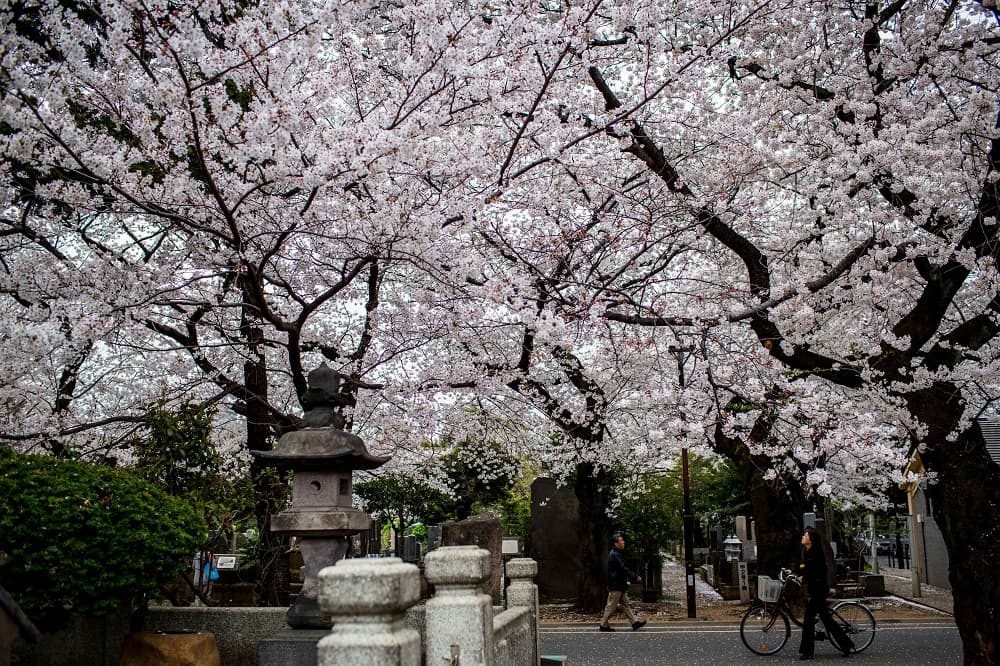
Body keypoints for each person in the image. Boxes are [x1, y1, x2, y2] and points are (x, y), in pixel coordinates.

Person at [798, 527, 854, 660]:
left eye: (805, 536)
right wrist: (796, 573)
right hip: (816, 590)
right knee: (826, 620)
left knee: (810, 621)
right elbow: (805, 568)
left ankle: (808, 651)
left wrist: (804, 578)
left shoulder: (816, 553)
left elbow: (816, 573)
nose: (803, 537)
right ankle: (845, 645)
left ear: (810, 539)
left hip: (818, 591)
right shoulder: (809, 552)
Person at [598, 533, 646, 632]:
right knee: (611, 606)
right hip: (616, 585)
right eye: (621, 541)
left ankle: (634, 622)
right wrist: (635, 576)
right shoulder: (615, 554)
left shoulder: (617, 553)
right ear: (616, 543)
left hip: (620, 585)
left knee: (626, 605)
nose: (623, 542)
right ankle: (603, 624)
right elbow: (623, 568)